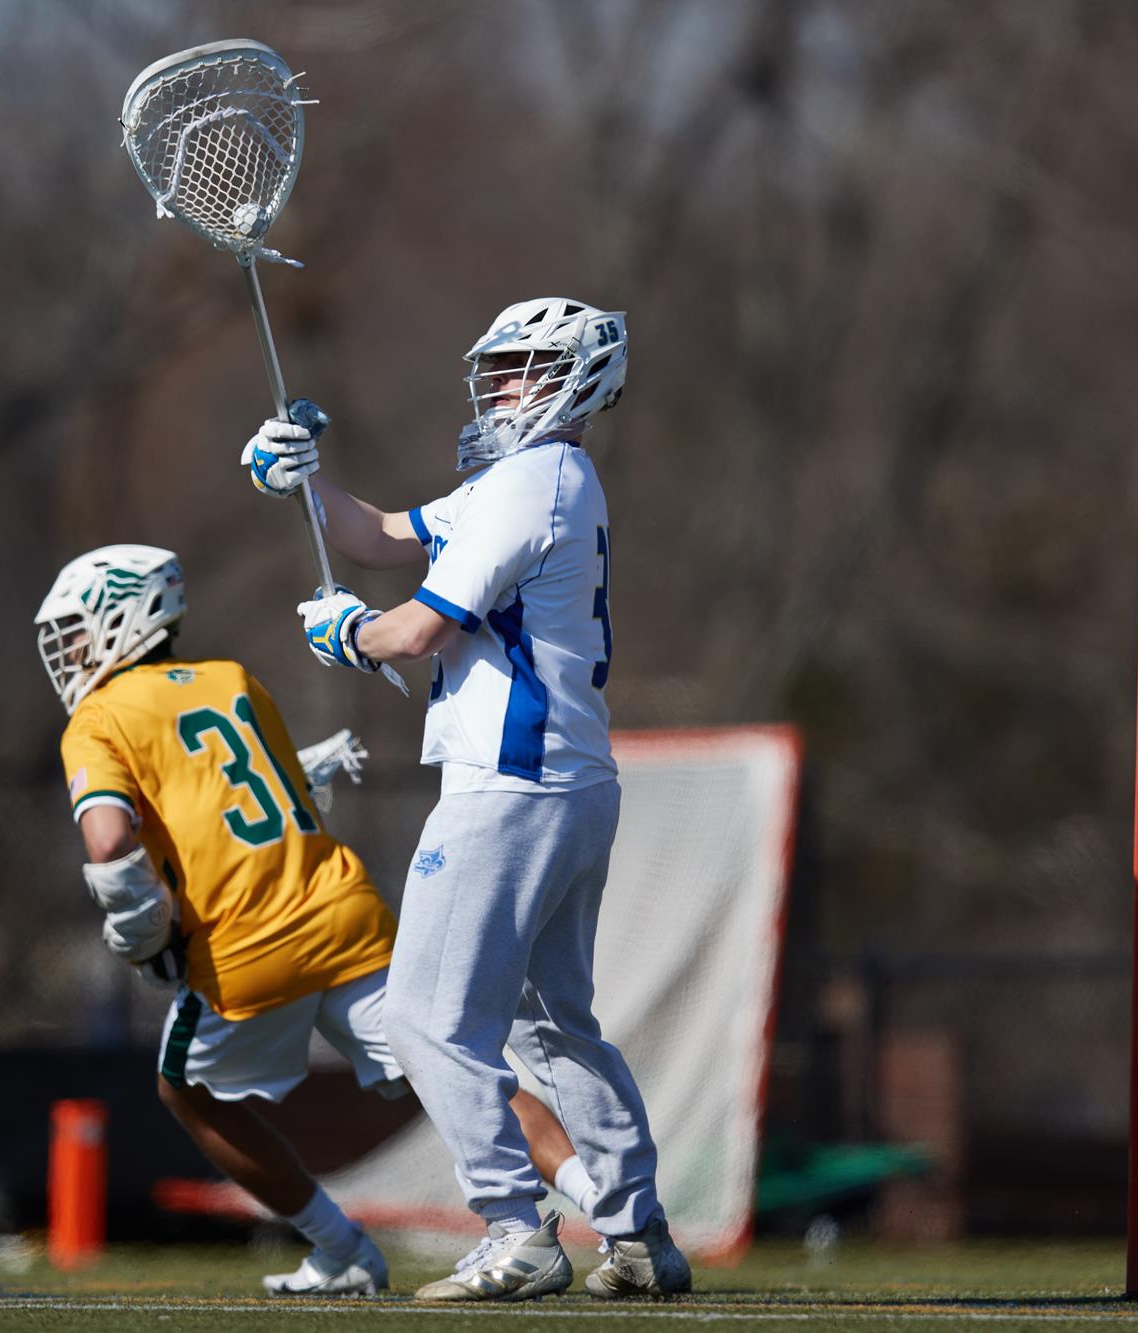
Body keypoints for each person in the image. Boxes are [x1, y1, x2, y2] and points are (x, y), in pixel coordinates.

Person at [239, 297, 692, 1302]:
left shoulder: (537, 480)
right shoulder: (523, 478)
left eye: (523, 368)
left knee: (422, 1016)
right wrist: (307, 486)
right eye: (497, 367)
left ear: (577, 378)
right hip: (565, 782)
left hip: (509, 783)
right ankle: (634, 1230)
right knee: (552, 1023)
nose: (500, 385)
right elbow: (382, 534)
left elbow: (412, 630)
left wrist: (347, 634)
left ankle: (511, 1227)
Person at [34, 542, 605, 1298]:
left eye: (78, 631)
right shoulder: (230, 677)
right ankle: (618, 1214)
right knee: (461, 1068)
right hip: (342, 911)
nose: (70, 652)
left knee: (187, 1092)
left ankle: (342, 1248)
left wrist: (138, 918)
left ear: (124, 619)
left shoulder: (98, 717)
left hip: (245, 946)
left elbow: (109, 840)